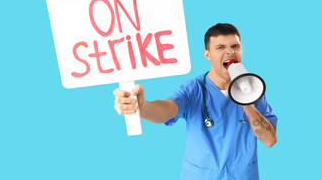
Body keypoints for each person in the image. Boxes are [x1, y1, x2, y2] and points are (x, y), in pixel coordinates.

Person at [113, 23, 277, 180]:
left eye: (235, 46)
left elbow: (269, 140)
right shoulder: (193, 89)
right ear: (208, 54)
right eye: (220, 47)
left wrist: (246, 100)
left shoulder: (254, 89)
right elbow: (167, 110)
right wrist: (142, 107)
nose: (230, 52)